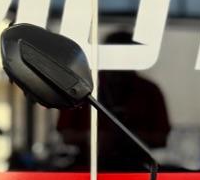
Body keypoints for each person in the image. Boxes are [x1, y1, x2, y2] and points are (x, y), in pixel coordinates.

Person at [57, 29, 170, 168]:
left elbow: (162, 139)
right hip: (88, 165)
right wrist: (93, 137)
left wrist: (128, 138)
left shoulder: (149, 91)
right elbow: (65, 135)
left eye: (126, 58)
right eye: (115, 57)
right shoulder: (82, 86)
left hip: (134, 167)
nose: (120, 65)